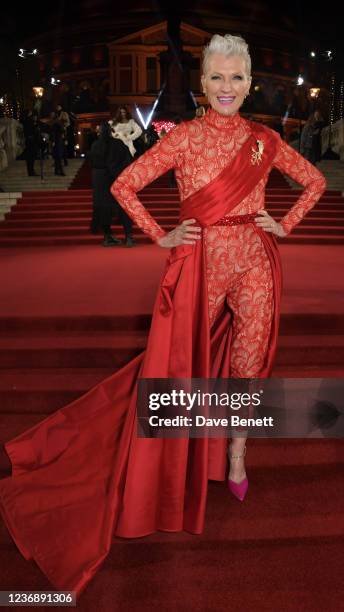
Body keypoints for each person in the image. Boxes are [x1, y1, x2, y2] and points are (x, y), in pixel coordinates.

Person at [0, 34, 326, 596]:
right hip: (198, 262)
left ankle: (237, 452)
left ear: (250, 84)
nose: (227, 88)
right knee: (182, 365)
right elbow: (125, 185)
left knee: (247, 362)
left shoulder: (265, 140)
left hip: (254, 258)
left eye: (237, 78)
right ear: (202, 83)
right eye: (217, 78)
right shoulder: (184, 139)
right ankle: (178, 461)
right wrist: (162, 234)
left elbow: (315, 181)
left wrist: (286, 223)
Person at [89, 121, 134, 247]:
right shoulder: (118, 144)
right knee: (123, 207)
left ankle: (108, 236)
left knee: (103, 208)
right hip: (116, 179)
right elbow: (126, 160)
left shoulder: (95, 145)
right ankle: (128, 236)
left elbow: (92, 163)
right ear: (110, 131)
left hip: (100, 181)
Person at [21, 110, 40, 176]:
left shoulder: (27, 121)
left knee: (31, 157)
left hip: (30, 141)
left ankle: (31, 171)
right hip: (31, 141)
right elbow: (31, 131)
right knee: (31, 157)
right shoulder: (28, 121)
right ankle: (31, 171)